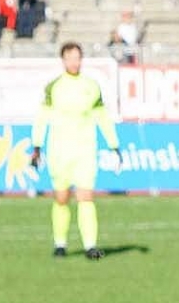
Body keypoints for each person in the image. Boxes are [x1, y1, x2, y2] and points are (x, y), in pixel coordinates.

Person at [30, 42, 119, 260]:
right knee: (61, 198)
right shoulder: (54, 87)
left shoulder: (91, 86)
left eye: (77, 58)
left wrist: (113, 144)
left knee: (86, 196)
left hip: (85, 150)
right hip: (59, 150)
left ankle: (90, 246)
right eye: (70, 58)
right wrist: (37, 145)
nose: (74, 62)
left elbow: (102, 117)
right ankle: (60, 244)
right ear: (63, 60)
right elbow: (42, 118)